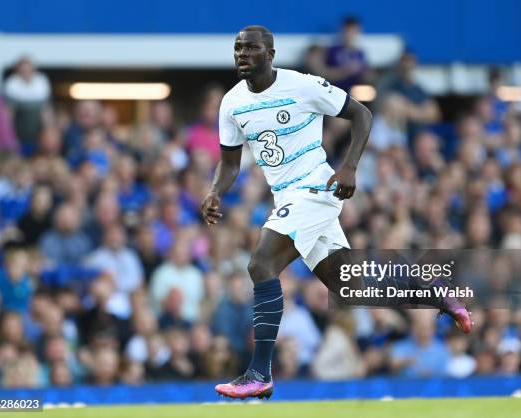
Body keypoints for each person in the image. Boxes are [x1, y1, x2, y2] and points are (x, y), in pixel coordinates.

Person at [201, 25, 472, 400]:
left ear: (271, 54)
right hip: (288, 199)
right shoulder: (231, 102)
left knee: (260, 264)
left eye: (251, 48)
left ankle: (258, 372)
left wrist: (349, 166)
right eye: (237, 48)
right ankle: (433, 292)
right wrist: (215, 191)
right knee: (351, 288)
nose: (242, 54)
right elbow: (229, 163)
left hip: (316, 187)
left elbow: (361, 114)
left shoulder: (302, 85)